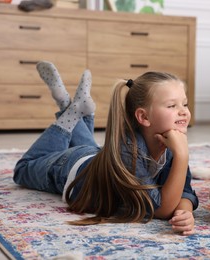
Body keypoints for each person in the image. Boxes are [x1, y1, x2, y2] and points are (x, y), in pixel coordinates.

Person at [13, 61, 198, 235]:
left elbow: (185, 191)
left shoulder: (172, 143)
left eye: (185, 103)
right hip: (69, 168)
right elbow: (160, 210)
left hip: (96, 156)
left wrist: (184, 212)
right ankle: (69, 111)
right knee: (23, 169)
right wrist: (182, 156)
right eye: (172, 105)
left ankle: (75, 107)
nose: (183, 111)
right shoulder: (129, 153)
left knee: (89, 147)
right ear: (144, 117)